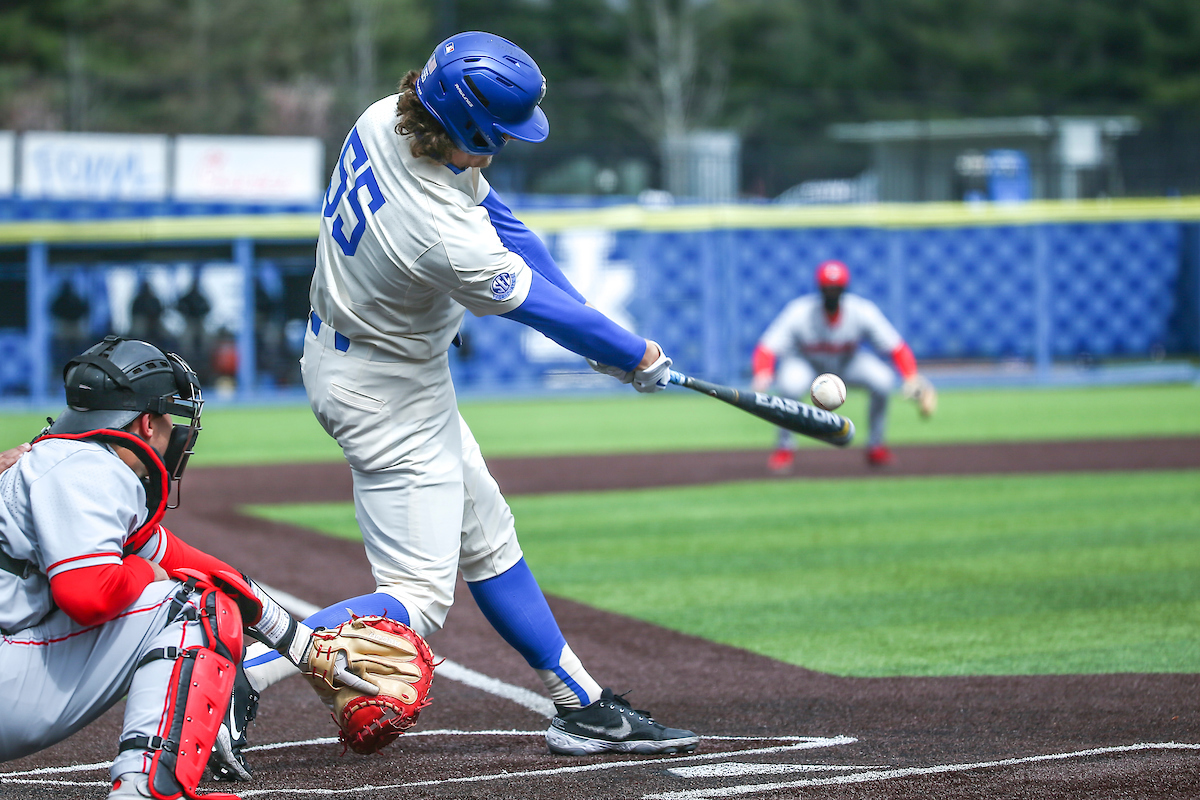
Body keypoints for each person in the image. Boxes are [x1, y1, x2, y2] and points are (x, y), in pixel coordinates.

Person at [213, 31, 697, 779]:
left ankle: (580, 703)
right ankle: (230, 677)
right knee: (416, 599)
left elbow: (509, 230)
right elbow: (533, 303)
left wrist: (608, 340)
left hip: (380, 366)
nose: (505, 146)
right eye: (499, 134)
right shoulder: (438, 233)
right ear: (468, 127)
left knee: (489, 538)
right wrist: (632, 355)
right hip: (383, 391)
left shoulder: (386, 116)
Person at [0, 336, 327, 800]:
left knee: (188, 586)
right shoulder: (91, 470)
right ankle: (145, 789)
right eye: (170, 416)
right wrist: (145, 576)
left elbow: (189, 562)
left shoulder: (60, 461)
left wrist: (306, 646)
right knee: (193, 608)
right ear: (145, 422)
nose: (176, 430)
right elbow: (89, 595)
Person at [751, 259, 936, 469]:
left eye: (836, 288)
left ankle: (876, 447)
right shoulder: (799, 311)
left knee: (883, 380)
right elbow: (766, 347)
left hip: (847, 362)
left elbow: (896, 347)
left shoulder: (861, 310)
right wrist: (762, 373)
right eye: (827, 288)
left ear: (844, 288)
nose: (831, 293)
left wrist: (910, 376)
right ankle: (784, 448)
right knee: (789, 385)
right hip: (807, 363)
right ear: (819, 288)